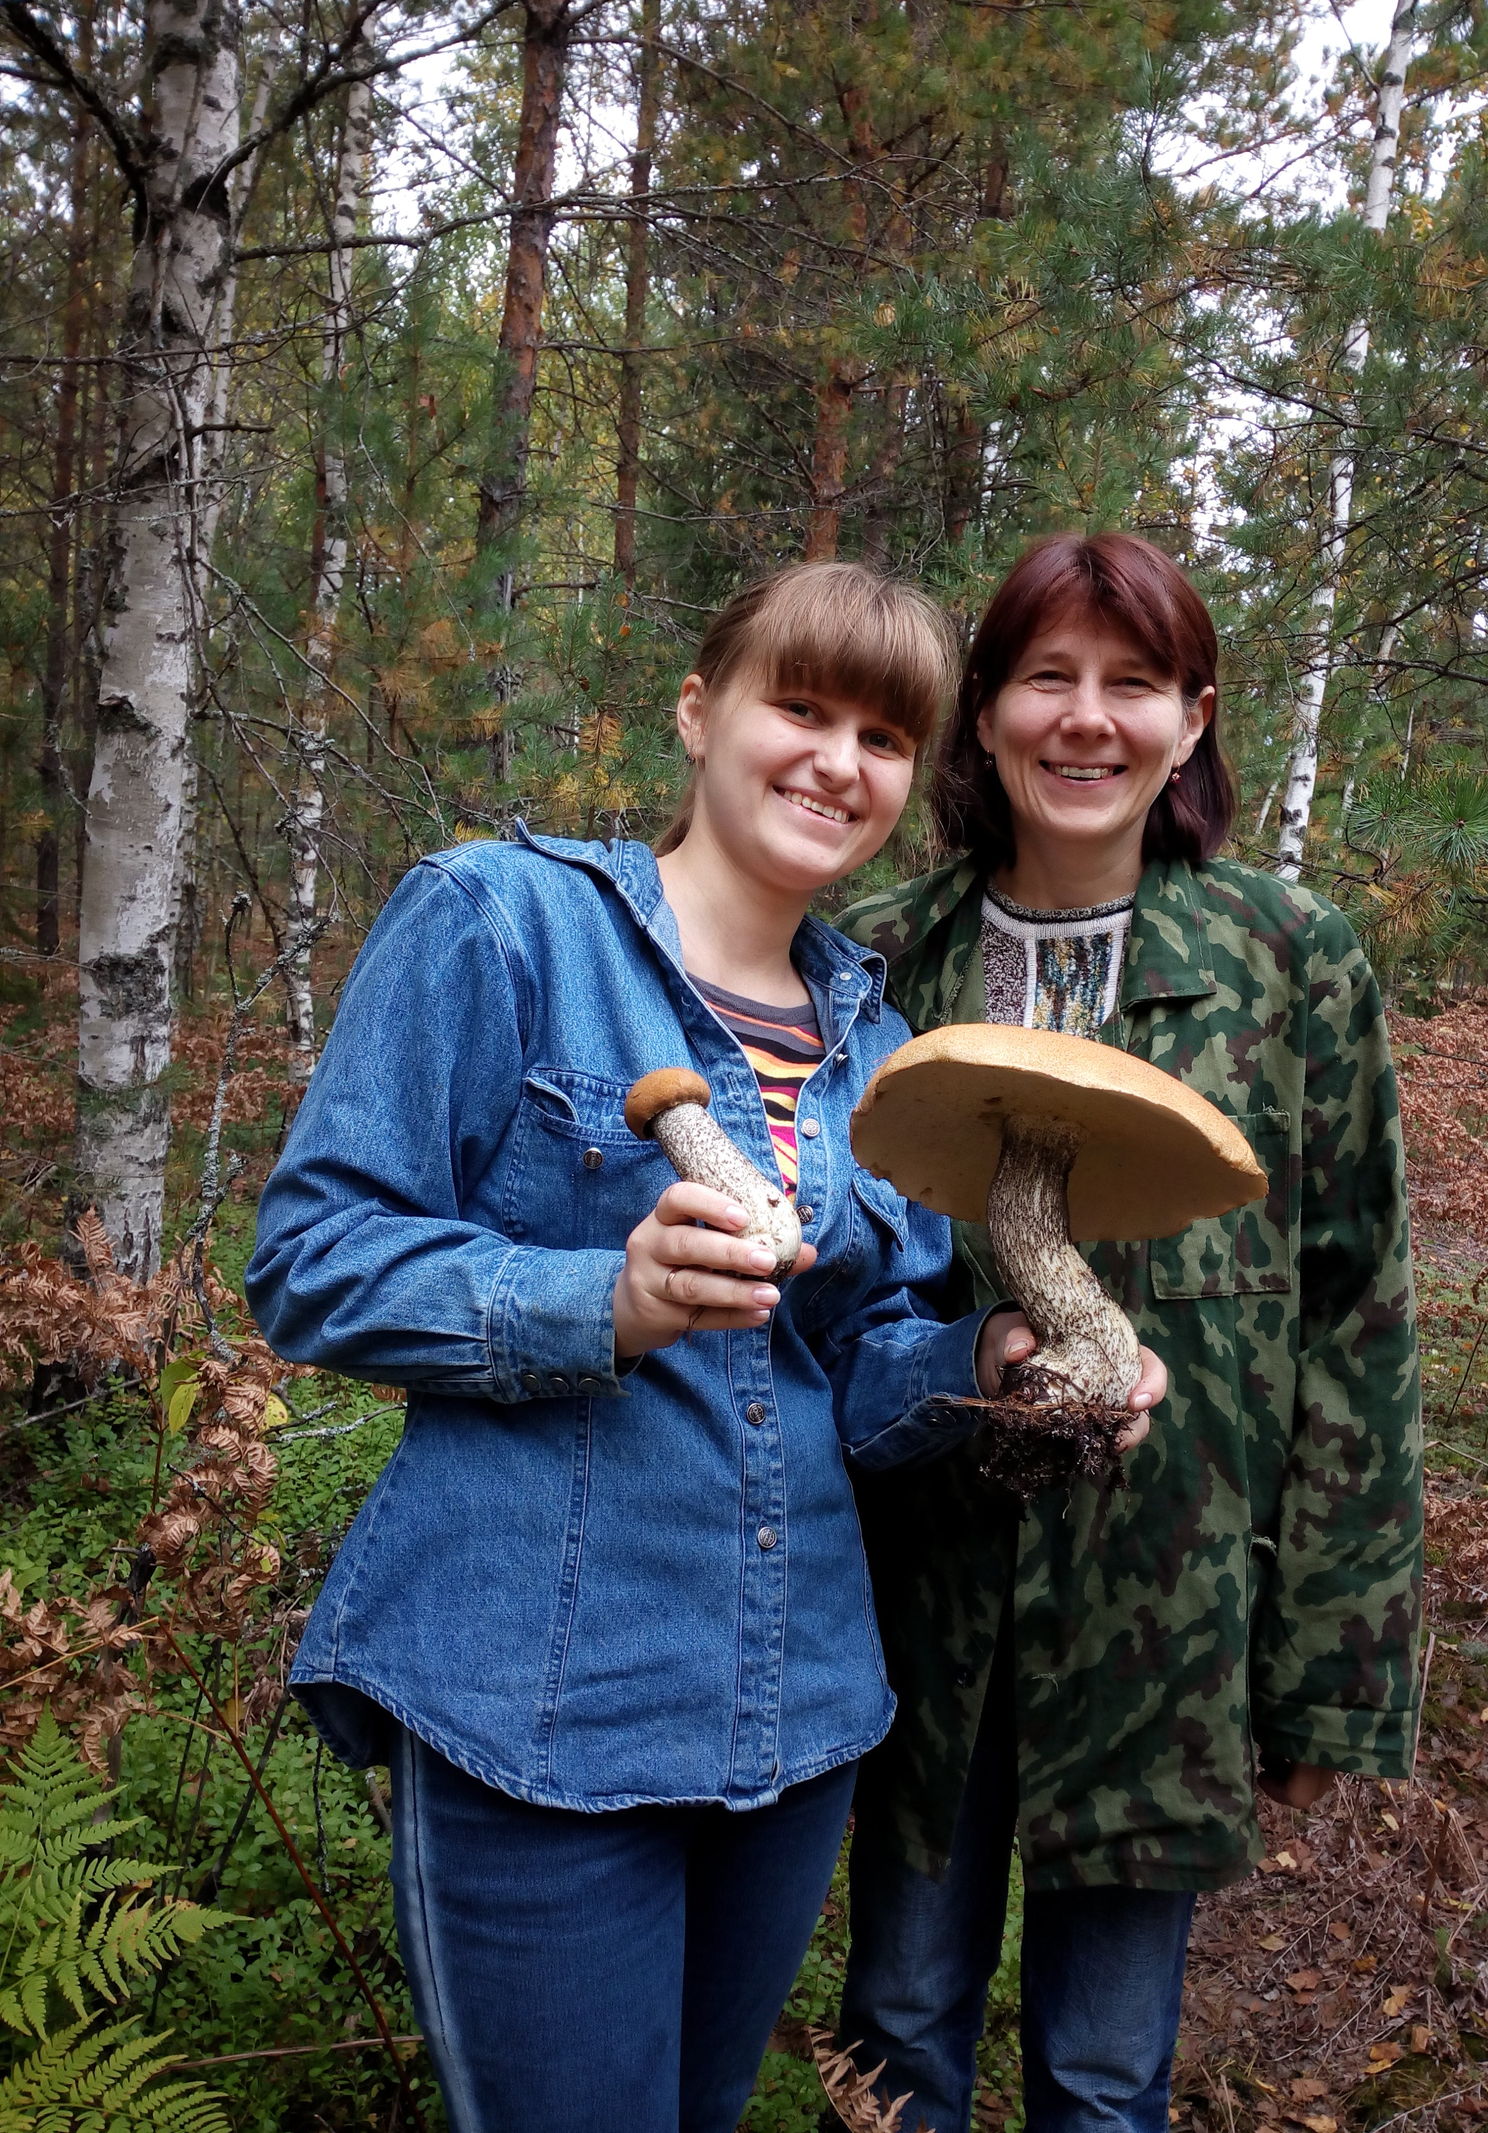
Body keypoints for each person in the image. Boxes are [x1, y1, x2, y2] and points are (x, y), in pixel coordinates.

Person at [245, 560, 1164, 2133]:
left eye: (882, 736)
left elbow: (848, 1368)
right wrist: (602, 1297)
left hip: (792, 1716)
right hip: (533, 1711)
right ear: (697, 710)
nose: (836, 761)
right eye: (797, 708)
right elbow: (313, 1260)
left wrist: (991, 1362)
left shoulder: (878, 1044)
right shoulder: (503, 921)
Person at [834, 533, 1423, 2133]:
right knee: (894, 2034)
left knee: (1103, 2075)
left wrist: (1332, 1680)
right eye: (1047, 677)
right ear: (988, 716)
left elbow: (1356, 1318)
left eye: (1134, 684)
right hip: (922, 1605)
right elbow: (827, 1287)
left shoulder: (1290, 962)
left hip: (1172, 1615)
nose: (1086, 720)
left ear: (1192, 721)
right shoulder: (886, 959)